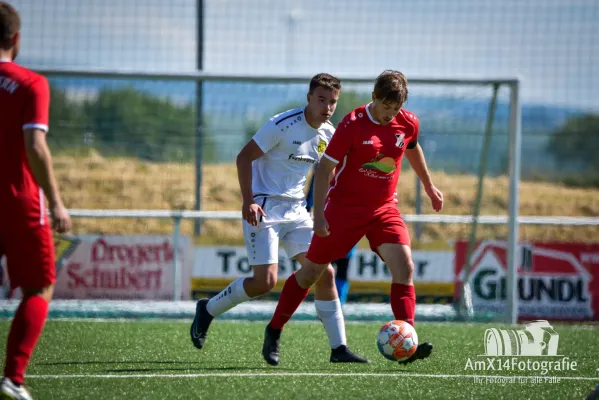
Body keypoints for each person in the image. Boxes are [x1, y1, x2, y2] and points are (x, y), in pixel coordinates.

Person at [262, 70, 444, 365]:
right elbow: (323, 171)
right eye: (386, 108)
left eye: (395, 109)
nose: (390, 115)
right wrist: (319, 216)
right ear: (374, 97)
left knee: (405, 266)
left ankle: (407, 341)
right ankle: (274, 330)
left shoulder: (408, 122)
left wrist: (429, 185)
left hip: (384, 210)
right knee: (311, 274)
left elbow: (411, 147)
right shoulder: (352, 124)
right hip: (344, 211)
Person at [190, 73, 369, 366]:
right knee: (265, 281)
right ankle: (207, 309)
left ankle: (339, 348)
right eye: (321, 99)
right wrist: (248, 201)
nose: (326, 106)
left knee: (326, 273)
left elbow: (330, 174)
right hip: (264, 207)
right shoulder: (281, 125)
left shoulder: (329, 134)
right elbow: (243, 157)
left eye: (332, 102)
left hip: (297, 211)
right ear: (309, 98)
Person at [0, 3, 72, 399]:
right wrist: (57, 201)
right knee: (39, 286)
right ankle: (13, 377)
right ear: (16, 38)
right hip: (17, 200)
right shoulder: (30, 84)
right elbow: (35, 145)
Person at [306, 172, 355, 305]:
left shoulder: (354, 169)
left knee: (342, 267)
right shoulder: (323, 168)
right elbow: (309, 200)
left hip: (348, 226)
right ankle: (327, 304)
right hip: (326, 226)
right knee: (324, 269)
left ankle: (338, 304)